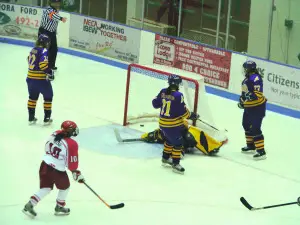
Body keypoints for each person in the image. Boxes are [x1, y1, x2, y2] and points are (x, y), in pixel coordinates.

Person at [22, 121, 85, 218]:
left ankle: (29, 204)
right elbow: (72, 165)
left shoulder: (55, 133)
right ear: (71, 131)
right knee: (65, 187)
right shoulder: (72, 144)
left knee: (46, 188)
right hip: (57, 170)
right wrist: (76, 172)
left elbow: (47, 147)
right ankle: (59, 207)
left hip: (45, 164)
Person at [152, 75, 199, 174]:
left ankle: (165, 158)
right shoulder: (179, 95)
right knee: (178, 143)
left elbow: (155, 104)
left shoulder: (163, 91)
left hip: (162, 123)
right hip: (172, 125)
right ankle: (175, 164)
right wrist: (191, 115)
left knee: (169, 140)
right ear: (178, 84)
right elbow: (183, 112)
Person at [141, 123, 227, 156]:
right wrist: (148, 136)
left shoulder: (188, 133)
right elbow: (155, 133)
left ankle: (211, 147)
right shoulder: (163, 132)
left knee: (191, 135)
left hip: (182, 138)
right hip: (175, 138)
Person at [238, 61, 267, 160]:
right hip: (249, 107)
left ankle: (261, 151)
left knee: (255, 128)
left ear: (249, 69)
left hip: (257, 108)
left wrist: (248, 96)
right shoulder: (246, 80)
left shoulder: (256, 78)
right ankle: (251, 146)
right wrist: (242, 101)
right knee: (245, 124)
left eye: (245, 68)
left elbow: (258, 95)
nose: (244, 70)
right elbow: (244, 93)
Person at [27, 34, 54, 125]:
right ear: (46, 43)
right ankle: (47, 118)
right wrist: (49, 72)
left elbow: (28, 59)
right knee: (48, 97)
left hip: (30, 78)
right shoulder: (44, 50)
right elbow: (43, 64)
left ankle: (31, 118)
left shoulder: (33, 49)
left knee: (32, 98)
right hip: (41, 79)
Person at [39, 0, 67, 70]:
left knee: (54, 49)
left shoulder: (55, 10)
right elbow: (52, 15)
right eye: (55, 3)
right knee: (44, 50)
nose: (57, 4)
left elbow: (54, 22)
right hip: (44, 32)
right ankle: (40, 65)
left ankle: (51, 65)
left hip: (52, 33)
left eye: (58, 3)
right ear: (51, 3)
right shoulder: (49, 9)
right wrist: (61, 18)